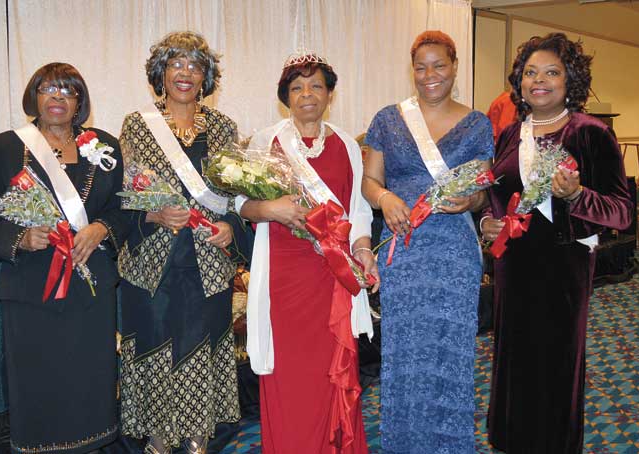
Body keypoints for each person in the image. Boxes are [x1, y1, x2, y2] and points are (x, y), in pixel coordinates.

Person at [482, 33, 633, 454]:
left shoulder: (591, 133)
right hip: (513, 267)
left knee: (555, 365)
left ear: (571, 80)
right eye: (530, 73)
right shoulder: (510, 135)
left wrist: (575, 196)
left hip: (562, 269)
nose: (539, 81)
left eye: (551, 72)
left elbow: (622, 212)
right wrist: (487, 225)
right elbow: (496, 198)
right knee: (513, 362)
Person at [0, 62, 126, 453]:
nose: (57, 97)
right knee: (38, 384)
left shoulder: (104, 145)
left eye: (68, 90)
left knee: (89, 383)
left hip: (91, 287)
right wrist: (20, 238)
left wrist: (102, 228)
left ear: (79, 101)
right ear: (34, 96)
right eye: (48, 88)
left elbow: (125, 208)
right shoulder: (3, 147)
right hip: (31, 288)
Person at [362, 31, 494, 453]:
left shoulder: (477, 124)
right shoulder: (388, 118)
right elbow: (370, 181)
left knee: (449, 350)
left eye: (439, 65)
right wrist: (384, 199)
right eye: (421, 67)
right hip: (404, 245)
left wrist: (468, 200)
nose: (429, 75)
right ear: (412, 70)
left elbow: (483, 189)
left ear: (454, 66)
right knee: (404, 351)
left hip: (454, 250)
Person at [240, 51, 378, 453]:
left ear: (329, 93)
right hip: (284, 279)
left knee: (330, 373)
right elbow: (238, 205)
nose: (307, 94)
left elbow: (357, 210)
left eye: (316, 85)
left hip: (331, 277)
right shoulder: (266, 141)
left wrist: (364, 248)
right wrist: (269, 209)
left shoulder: (348, 145)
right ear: (286, 96)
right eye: (297, 87)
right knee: (289, 374)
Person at [117, 32, 244, 454]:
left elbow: (237, 194)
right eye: (176, 64)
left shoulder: (224, 127)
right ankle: (156, 437)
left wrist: (228, 226)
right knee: (155, 344)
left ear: (206, 76)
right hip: (152, 264)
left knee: (200, 346)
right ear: (161, 72)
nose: (185, 73)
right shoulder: (139, 125)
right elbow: (121, 196)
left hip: (207, 261)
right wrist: (152, 214)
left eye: (194, 65)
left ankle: (197, 437)